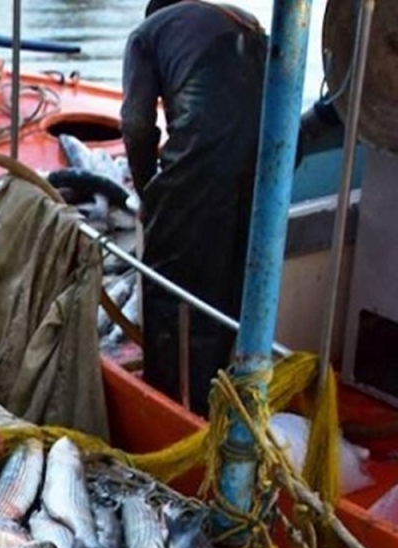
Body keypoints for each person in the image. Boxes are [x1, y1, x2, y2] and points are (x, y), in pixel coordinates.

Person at [120, 0, 267, 416]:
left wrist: (152, 195)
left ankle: (174, 410)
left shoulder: (146, 35)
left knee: (168, 284)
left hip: (203, 153)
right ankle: (231, 393)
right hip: (266, 154)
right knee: (231, 277)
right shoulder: (239, 18)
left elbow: (135, 124)